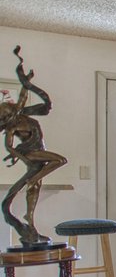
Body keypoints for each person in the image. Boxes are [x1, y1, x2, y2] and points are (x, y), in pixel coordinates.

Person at [1, 46, 67, 248]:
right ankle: (29, 223)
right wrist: (22, 158)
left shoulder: (21, 114)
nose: (9, 110)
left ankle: (30, 223)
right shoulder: (12, 126)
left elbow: (23, 96)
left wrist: (25, 81)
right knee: (59, 161)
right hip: (32, 154)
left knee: (33, 188)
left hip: (37, 157)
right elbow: (10, 147)